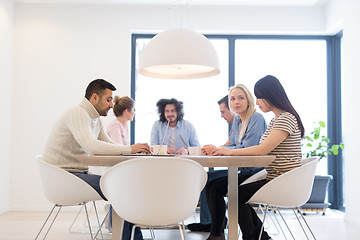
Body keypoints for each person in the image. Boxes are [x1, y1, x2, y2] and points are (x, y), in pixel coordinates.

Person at [42, 79, 150, 240]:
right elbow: (92, 146)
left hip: (74, 176)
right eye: (108, 100)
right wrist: (129, 149)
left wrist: (135, 150)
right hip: (63, 178)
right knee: (121, 188)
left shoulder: (94, 119)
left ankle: (131, 237)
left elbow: (109, 143)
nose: (112, 105)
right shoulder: (77, 112)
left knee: (123, 187)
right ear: (94, 97)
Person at [206, 75, 304, 240]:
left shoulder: (285, 119)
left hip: (283, 181)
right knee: (233, 193)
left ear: (270, 96)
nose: (257, 102)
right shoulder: (277, 119)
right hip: (275, 177)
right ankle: (259, 236)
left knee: (235, 195)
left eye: (259, 97)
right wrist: (223, 150)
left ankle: (255, 236)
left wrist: (229, 152)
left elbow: (261, 150)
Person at [187, 84, 267, 232]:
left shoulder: (256, 118)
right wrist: (216, 150)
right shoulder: (237, 120)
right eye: (233, 99)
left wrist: (220, 150)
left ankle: (227, 234)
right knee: (212, 186)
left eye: (240, 98)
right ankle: (217, 233)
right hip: (244, 172)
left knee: (222, 189)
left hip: (257, 173)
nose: (236, 102)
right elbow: (234, 145)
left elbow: (248, 150)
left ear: (248, 100)